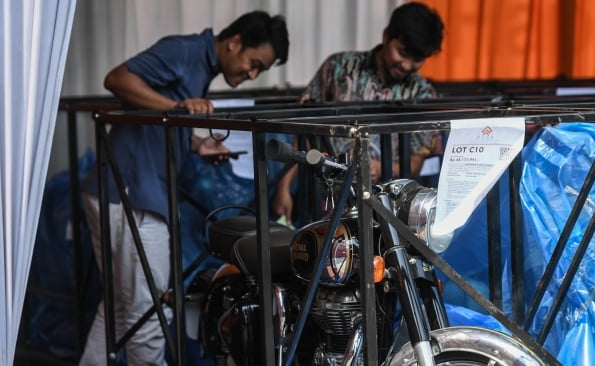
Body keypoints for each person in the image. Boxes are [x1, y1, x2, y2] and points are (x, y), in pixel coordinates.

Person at [80, 11, 289, 366]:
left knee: (120, 306)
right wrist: (177, 108)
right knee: (149, 311)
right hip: (132, 192)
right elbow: (116, 78)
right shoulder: (184, 51)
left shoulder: (199, 65)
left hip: (117, 190)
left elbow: (156, 120)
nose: (252, 74)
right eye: (254, 63)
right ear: (234, 42)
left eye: (261, 72)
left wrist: (195, 144)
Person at [272, 2, 444, 221]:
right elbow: (305, 134)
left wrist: (380, 168)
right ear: (386, 36)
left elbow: (416, 163)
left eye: (417, 60)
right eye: (402, 53)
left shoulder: (423, 94)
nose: (407, 66)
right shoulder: (338, 69)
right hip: (324, 203)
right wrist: (284, 186)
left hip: (388, 210)